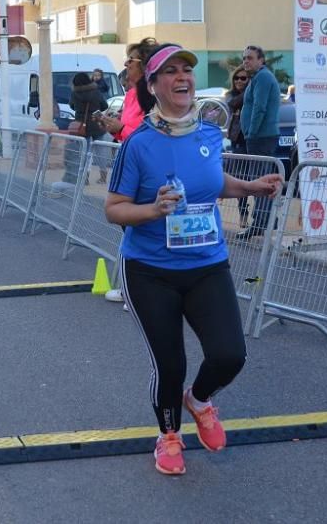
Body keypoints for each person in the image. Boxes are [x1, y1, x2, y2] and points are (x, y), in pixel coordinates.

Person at [104, 43, 281, 476]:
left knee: (230, 354)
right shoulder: (138, 144)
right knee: (171, 364)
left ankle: (199, 402)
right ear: (153, 85)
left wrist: (249, 188)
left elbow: (210, 181)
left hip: (206, 264)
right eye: (171, 72)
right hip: (150, 270)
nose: (182, 77)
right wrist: (152, 211)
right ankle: (168, 436)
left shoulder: (206, 133)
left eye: (187, 70)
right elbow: (114, 208)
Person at [97, 37, 157, 303]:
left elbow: (151, 132)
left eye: (130, 60)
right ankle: (133, 290)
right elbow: (132, 132)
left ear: (143, 66)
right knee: (130, 229)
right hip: (131, 167)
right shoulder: (132, 94)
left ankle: (139, 293)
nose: (125, 65)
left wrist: (121, 129)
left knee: (141, 230)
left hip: (149, 171)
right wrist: (117, 128)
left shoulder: (151, 94)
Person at [238, 45, 282, 240]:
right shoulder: (258, 78)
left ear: (261, 60)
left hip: (260, 138)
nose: (245, 61)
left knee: (260, 181)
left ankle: (261, 222)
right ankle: (267, 220)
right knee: (263, 178)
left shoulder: (263, 78)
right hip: (259, 137)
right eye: (244, 58)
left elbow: (259, 108)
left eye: (250, 58)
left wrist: (251, 132)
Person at [68, 72, 108, 183]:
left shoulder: (74, 93)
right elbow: (105, 106)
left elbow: (72, 106)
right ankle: (103, 177)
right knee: (101, 151)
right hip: (97, 124)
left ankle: (85, 178)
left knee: (84, 152)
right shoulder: (96, 91)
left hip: (81, 126)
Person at [225, 66, 251, 228]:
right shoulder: (232, 96)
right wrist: (249, 92)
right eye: (237, 78)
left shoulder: (252, 94)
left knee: (254, 177)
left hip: (252, 139)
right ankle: (243, 212)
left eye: (243, 78)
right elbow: (231, 104)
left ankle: (261, 216)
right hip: (237, 141)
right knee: (241, 178)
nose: (239, 81)